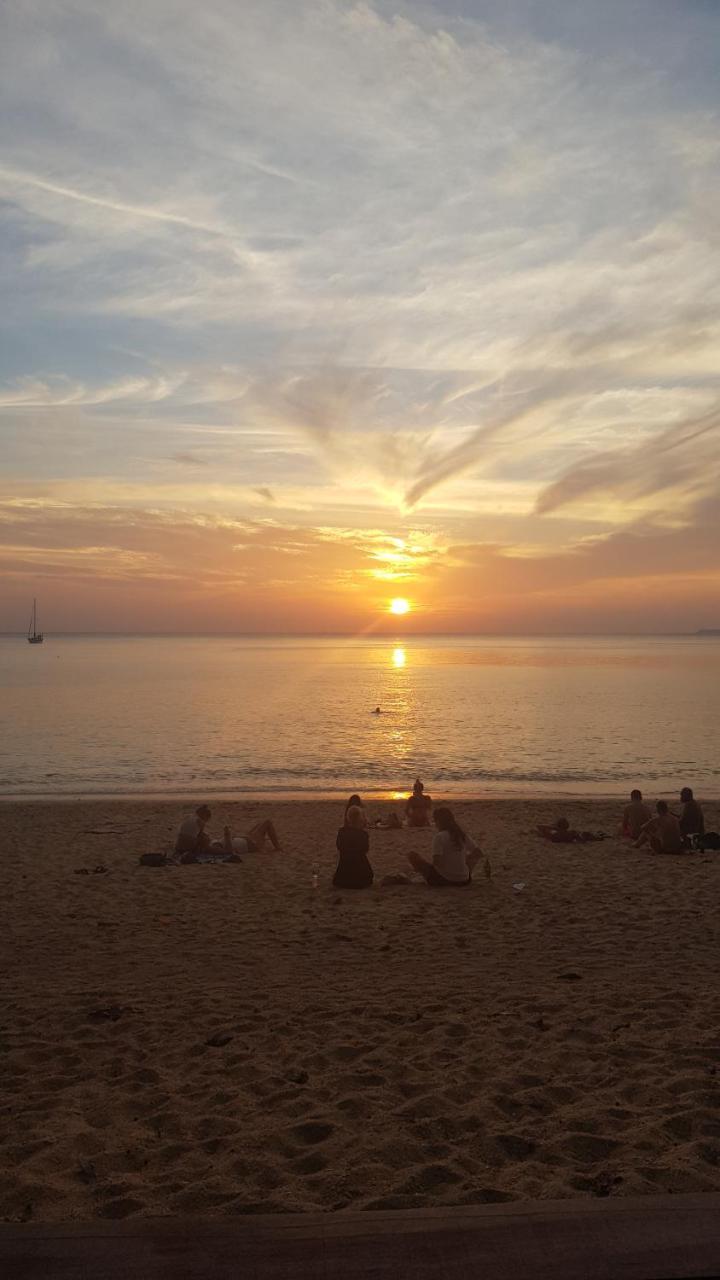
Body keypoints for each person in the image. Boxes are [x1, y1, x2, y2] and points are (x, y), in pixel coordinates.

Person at [407, 806, 482, 886]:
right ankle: (461, 873)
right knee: (468, 859)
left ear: (439, 821)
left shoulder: (439, 837)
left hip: (444, 880)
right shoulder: (461, 835)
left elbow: (437, 862)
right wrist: (465, 861)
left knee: (412, 855)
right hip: (465, 880)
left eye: (435, 821)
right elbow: (478, 853)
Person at [175, 806, 281, 862]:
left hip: (244, 839)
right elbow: (229, 853)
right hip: (251, 844)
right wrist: (227, 835)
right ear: (203, 841)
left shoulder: (211, 842)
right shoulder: (210, 847)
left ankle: (273, 844)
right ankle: (278, 848)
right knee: (267, 823)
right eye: (203, 835)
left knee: (259, 824)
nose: (205, 834)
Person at [334, 805, 373, 889]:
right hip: (360, 877)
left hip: (342, 877)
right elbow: (365, 850)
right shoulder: (363, 834)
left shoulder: (341, 832)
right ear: (360, 819)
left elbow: (339, 847)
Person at [536, 818, 606, 844]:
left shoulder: (554, 834)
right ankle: (598, 836)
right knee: (585, 834)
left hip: (560, 837)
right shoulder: (570, 833)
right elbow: (580, 839)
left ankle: (598, 836)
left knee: (585, 834)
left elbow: (539, 826)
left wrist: (554, 827)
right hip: (573, 837)